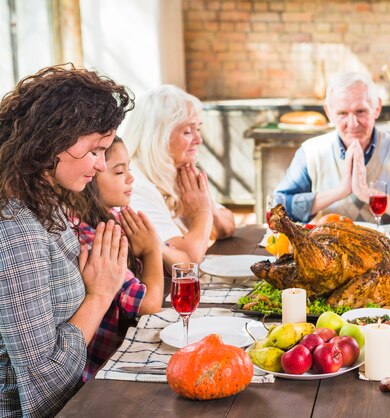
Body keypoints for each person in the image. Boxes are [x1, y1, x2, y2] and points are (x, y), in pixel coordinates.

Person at [0, 64, 132, 417]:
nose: (102, 165)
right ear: (51, 142)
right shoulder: (15, 231)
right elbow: (44, 384)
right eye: (95, 150)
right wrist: (100, 295)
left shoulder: (44, 203)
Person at [275, 72, 390, 226]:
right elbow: (277, 208)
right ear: (329, 112)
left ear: (377, 108)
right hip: (326, 251)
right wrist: (340, 191)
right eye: (342, 113)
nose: (352, 123)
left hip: (384, 251)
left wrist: (367, 194)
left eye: (361, 111)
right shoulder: (311, 151)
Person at [69, 136, 164, 381]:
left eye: (129, 169)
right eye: (120, 172)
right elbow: (149, 305)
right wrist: (153, 250)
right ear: (90, 177)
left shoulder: (110, 217)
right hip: (98, 374)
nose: (131, 178)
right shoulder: (91, 236)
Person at [123, 85, 235, 268]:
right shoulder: (135, 185)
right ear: (158, 136)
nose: (199, 140)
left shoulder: (178, 171)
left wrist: (207, 207)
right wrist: (202, 213)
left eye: (198, 129)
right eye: (188, 131)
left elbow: (228, 226)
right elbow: (187, 260)